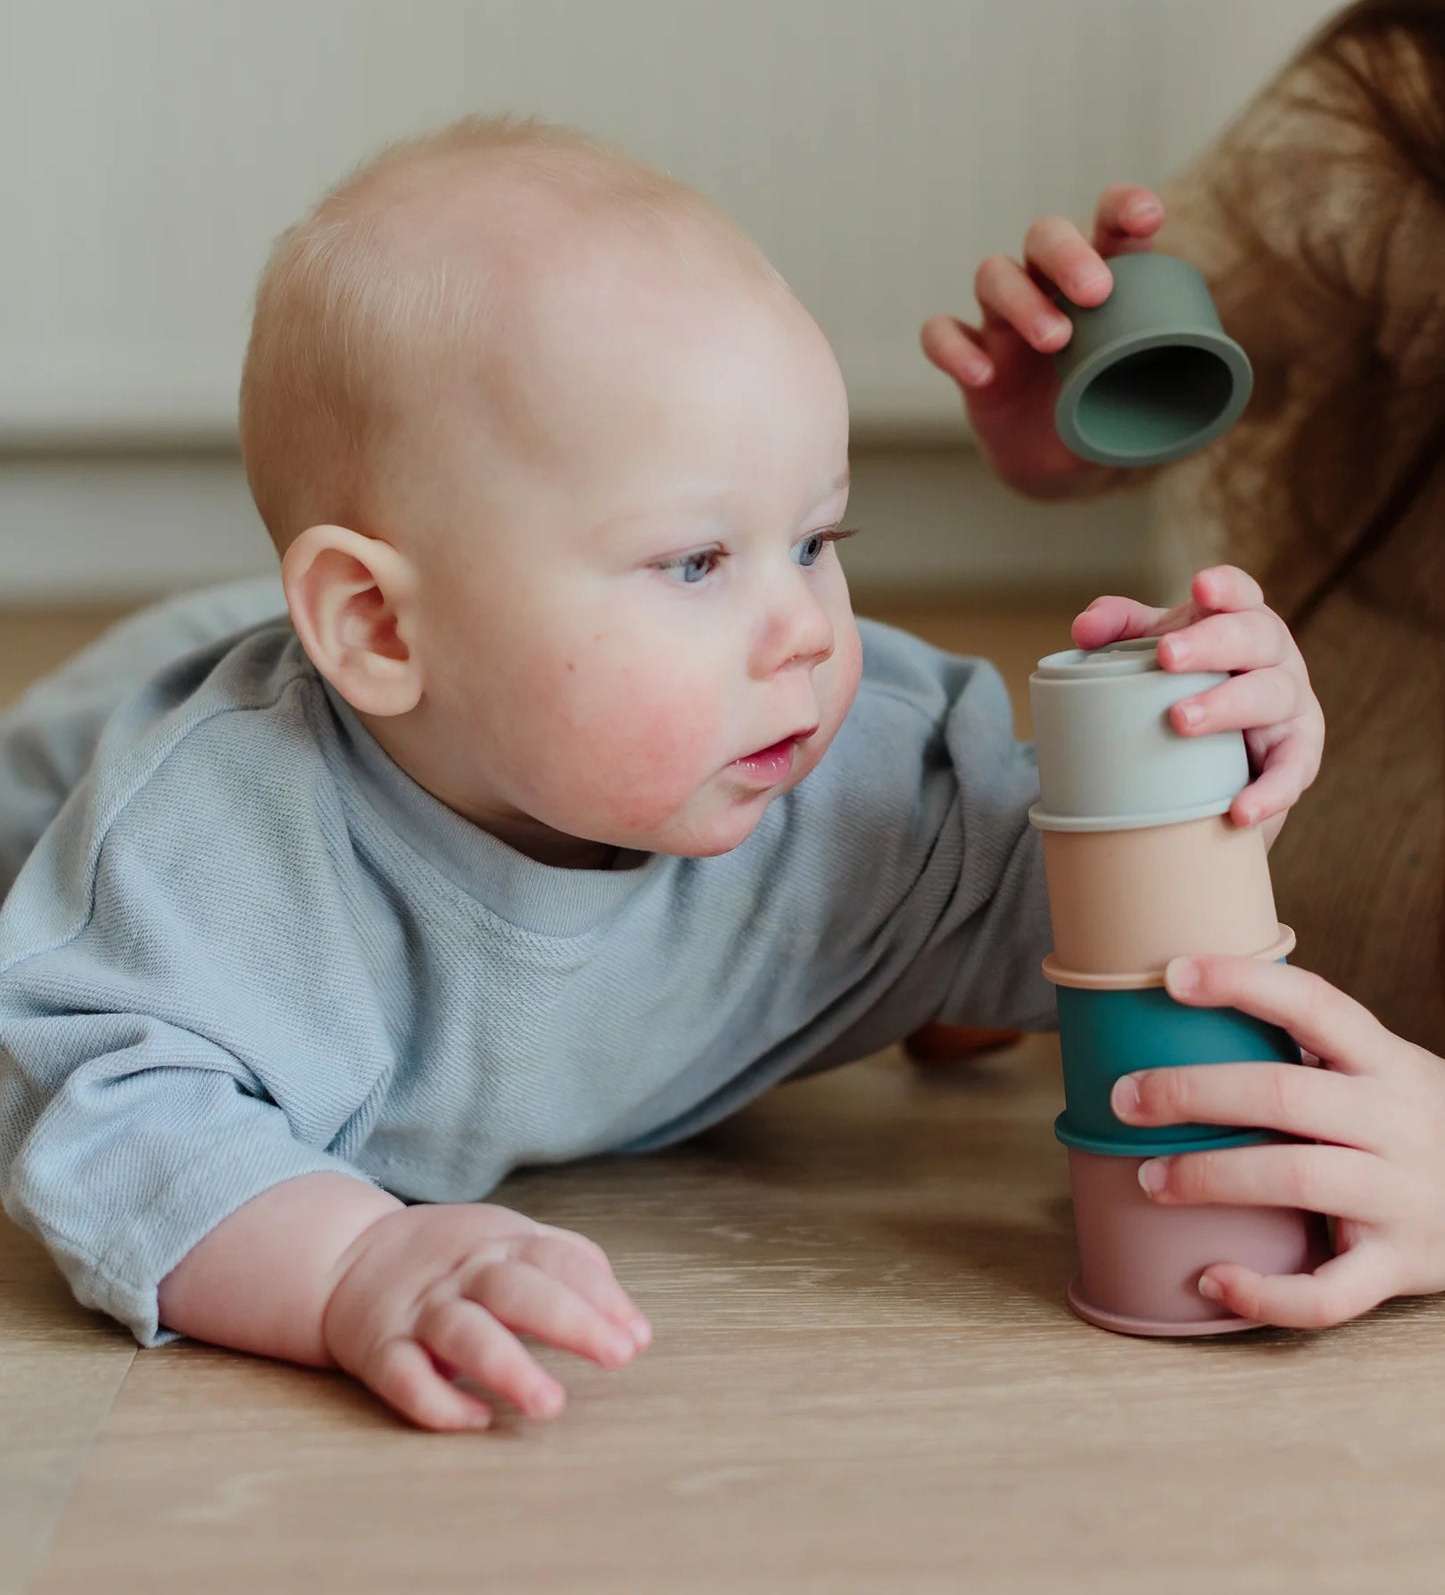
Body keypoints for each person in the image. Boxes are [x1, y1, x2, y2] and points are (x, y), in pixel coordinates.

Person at [0, 117, 1321, 1428]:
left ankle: (918, 978)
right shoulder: (212, 845)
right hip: (84, 765)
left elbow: (1114, 929)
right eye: (695, 563)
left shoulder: (876, 785)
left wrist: (1196, 741)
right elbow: (102, 1115)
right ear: (382, 626)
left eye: (815, 539)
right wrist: (350, 1262)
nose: (805, 631)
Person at [917, 0, 1445, 1331]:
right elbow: (1179, 325)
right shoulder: (1400, 97)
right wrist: (1060, 425)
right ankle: (985, 944)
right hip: (1241, 926)